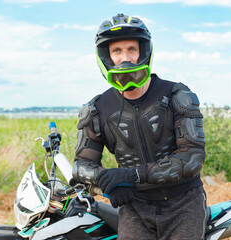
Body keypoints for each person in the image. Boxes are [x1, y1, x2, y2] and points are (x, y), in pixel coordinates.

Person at [72, 13, 207, 240]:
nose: (126, 57)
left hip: (184, 204)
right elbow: (81, 166)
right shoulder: (96, 108)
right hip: (134, 208)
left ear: (143, 52)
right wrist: (110, 182)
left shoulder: (178, 94)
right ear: (106, 57)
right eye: (117, 51)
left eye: (132, 49)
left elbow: (192, 157)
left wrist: (131, 175)